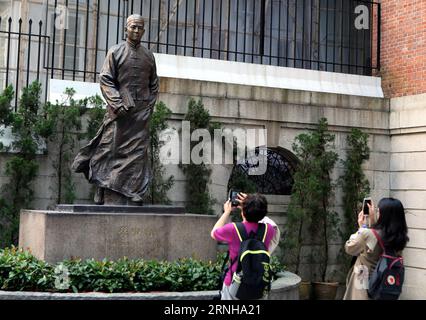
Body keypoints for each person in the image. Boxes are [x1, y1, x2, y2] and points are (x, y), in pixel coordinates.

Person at [72, 14, 159, 205]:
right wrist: (117, 103)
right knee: (109, 151)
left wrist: (149, 105)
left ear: (143, 31)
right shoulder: (115, 52)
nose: (136, 31)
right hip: (119, 113)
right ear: (126, 29)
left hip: (140, 114)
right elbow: (106, 79)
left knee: (137, 154)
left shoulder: (149, 56)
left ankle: (133, 191)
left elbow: (154, 84)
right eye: (133, 27)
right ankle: (102, 188)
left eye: (140, 28)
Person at [210, 192, 277, 300]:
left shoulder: (233, 229)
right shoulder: (269, 230)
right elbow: (262, 218)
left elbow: (214, 233)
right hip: (258, 283)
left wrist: (227, 212)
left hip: (234, 282)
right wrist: (253, 204)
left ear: (243, 212)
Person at [343, 197, 409, 300]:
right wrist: (372, 225)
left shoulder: (367, 234)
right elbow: (379, 238)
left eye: (378, 210)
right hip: (384, 284)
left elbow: (349, 247)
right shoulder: (399, 237)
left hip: (363, 279)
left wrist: (362, 228)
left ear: (383, 215)